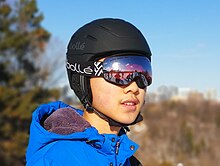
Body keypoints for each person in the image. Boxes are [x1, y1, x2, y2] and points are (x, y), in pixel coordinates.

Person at [26, 18, 152, 166]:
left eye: (143, 73)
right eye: (119, 73)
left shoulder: (126, 159)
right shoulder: (56, 159)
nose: (134, 87)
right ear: (82, 79)